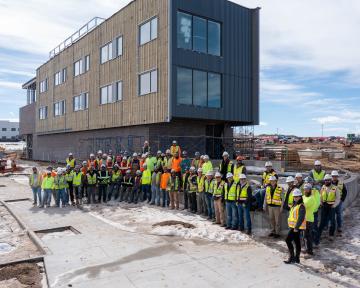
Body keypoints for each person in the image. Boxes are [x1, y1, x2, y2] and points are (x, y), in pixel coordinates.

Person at [315, 174, 341, 244]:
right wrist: (320, 203)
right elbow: (320, 196)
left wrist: (334, 205)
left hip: (331, 207)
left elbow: (338, 198)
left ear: (331, 180)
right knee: (322, 222)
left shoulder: (335, 188)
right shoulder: (323, 187)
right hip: (324, 206)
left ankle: (331, 235)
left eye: (328, 180)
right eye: (326, 180)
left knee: (332, 221)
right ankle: (318, 235)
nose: (327, 181)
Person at [284, 188, 306, 264]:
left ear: (300, 197)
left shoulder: (301, 206)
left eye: (297, 196)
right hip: (293, 226)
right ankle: (297, 258)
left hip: (296, 227)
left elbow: (301, 218)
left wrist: (296, 228)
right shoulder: (295, 204)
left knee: (287, 240)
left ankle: (292, 257)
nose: (295, 198)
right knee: (297, 242)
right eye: (294, 196)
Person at [331, 170, 347, 235]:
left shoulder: (341, 183)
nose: (334, 177)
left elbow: (345, 192)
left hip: (339, 201)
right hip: (331, 202)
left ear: (337, 176)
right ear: (332, 177)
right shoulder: (329, 183)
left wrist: (342, 200)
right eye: (333, 176)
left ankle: (339, 227)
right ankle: (332, 228)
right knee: (332, 216)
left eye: (335, 176)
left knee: (339, 215)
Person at [303, 183, 317, 255]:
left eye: (307, 189)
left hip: (309, 220)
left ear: (310, 190)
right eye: (304, 189)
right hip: (304, 219)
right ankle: (307, 249)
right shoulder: (304, 197)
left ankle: (310, 251)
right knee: (305, 236)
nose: (305, 190)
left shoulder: (311, 198)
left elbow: (303, 206)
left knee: (308, 236)